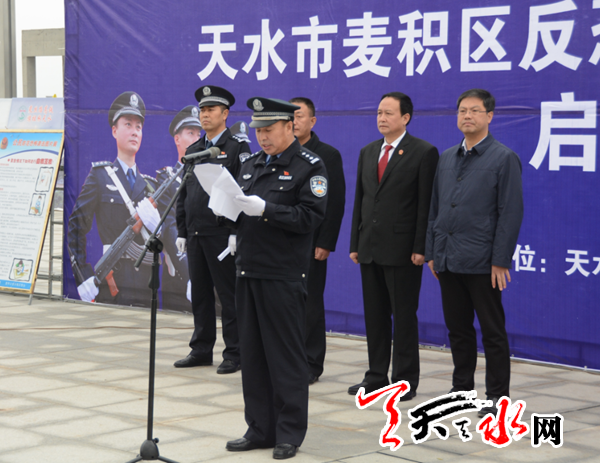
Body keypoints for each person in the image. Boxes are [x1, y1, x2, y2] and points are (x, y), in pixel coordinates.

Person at [225, 97, 328, 460]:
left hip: (283, 274)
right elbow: (238, 208)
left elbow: (309, 217)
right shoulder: (251, 163)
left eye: (269, 130)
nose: (263, 137)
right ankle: (259, 428)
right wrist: (225, 211)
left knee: (285, 358)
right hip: (248, 269)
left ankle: (288, 433)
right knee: (252, 356)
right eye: (259, 131)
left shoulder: (309, 167)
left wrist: (267, 210)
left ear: (289, 126)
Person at [425, 88, 523, 417]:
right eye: (462, 111)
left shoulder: (503, 158)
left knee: (492, 332)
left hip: (483, 261)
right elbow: (435, 209)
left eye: (475, 110)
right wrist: (433, 251)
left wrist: (500, 260)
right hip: (448, 258)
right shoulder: (447, 157)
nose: (467, 116)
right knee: (458, 329)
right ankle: (462, 388)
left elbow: (510, 213)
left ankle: (497, 396)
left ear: (489, 116)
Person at [348, 92, 439, 400]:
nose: (382, 118)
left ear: (405, 118)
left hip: (403, 251)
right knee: (374, 316)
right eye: (379, 113)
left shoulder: (423, 152)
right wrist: (355, 242)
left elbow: (425, 204)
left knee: (403, 317)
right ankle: (376, 376)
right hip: (369, 247)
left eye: (388, 113)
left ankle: (404, 380)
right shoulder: (368, 151)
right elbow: (361, 200)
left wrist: (421, 247)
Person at [174, 86, 250, 374]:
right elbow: (185, 194)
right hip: (196, 234)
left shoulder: (237, 148)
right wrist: (182, 231)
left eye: (211, 110)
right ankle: (201, 349)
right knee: (201, 295)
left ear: (225, 113)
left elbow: (242, 192)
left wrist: (235, 231)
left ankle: (235, 353)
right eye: (202, 110)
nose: (204, 115)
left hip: (221, 235)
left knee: (229, 296)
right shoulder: (194, 150)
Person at [68, 91, 162, 307]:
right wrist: (82, 275)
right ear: (114, 131)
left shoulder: (151, 185)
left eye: (138, 127)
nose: (134, 131)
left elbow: (168, 240)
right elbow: (76, 225)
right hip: (113, 277)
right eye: (128, 124)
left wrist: (159, 227)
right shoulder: (100, 176)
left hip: (147, 282)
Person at [289, 97, 346, 385]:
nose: (294, 121)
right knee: (285, 304)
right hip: (282, 242)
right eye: (290, 116)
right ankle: (287, 361)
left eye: (299, 116)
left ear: (312, 121)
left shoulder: (327, 155)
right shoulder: (280, 152)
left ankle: (311, 363)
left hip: (312, 243)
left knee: (310, 304)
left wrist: (326, 242)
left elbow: (334, 202)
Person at [155, 106, 202, 312]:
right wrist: (190, 275)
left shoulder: (207, 175)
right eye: (190, 133)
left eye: (199, 134)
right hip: (180, 275)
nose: (197, 139)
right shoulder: (167, 179)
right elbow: (170, 225)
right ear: (177, 139)